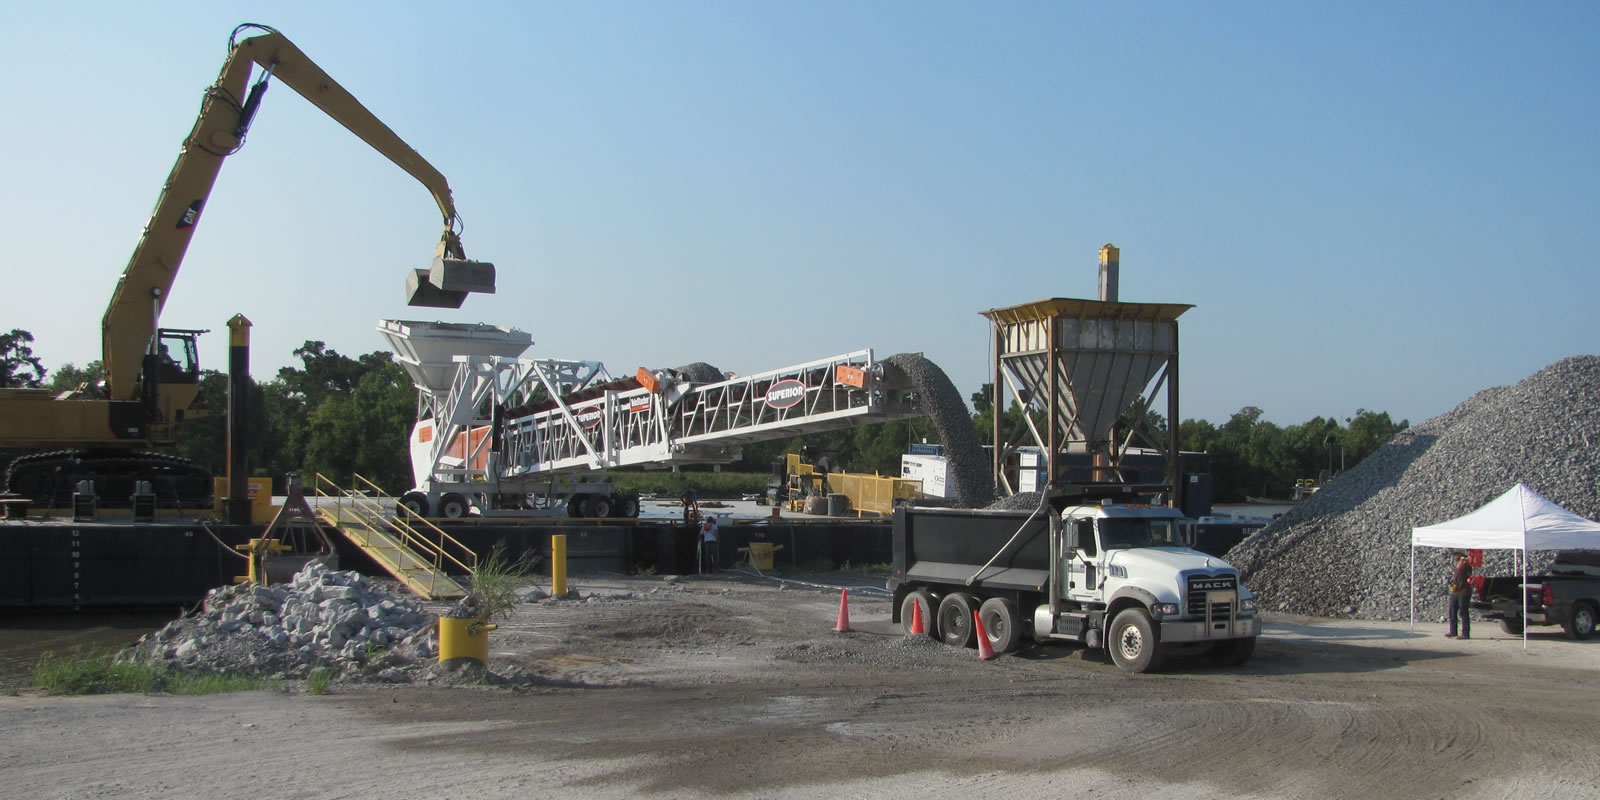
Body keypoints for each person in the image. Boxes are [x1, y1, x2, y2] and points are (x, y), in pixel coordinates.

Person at [1446, 550, 1473, 639]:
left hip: (1464, 591)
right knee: (1452, 611)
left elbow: (1469, 572)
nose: (1455, 557)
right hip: (1455, 592)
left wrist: (1465, 562)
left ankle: (1465, 633)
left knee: (1463, 612)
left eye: (1456, 555)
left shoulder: (1465, 564)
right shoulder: (1458, 565)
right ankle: (1453, 631)